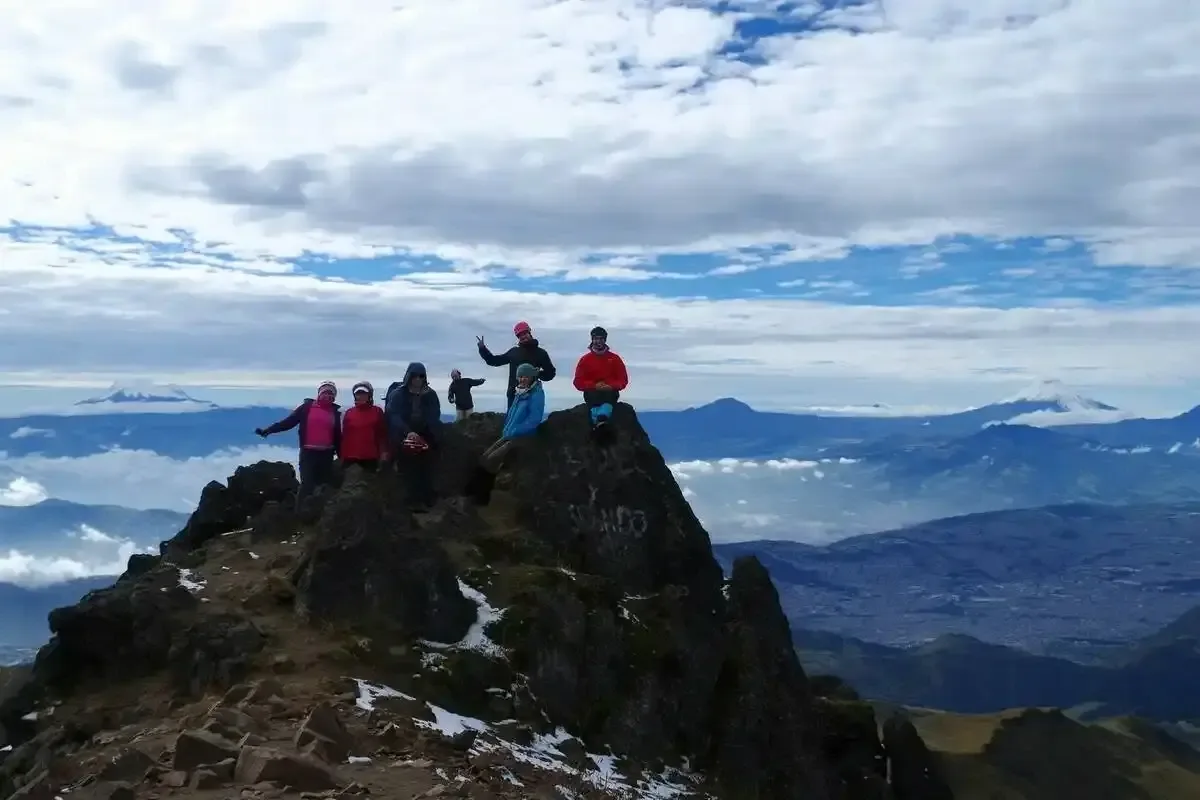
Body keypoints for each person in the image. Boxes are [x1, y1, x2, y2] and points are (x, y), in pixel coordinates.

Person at [463, 363, 545, 506]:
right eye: (520, 376)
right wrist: (507, 429)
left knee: (491, 460)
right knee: (485, 457)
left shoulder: (536, 394)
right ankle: (473, 491)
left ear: (532, 377)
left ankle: (481, 497)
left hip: (523, 437)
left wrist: (514, 431)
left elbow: (534, 419)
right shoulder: (520, 392)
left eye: (525, 376)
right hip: (509, 434)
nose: (522, 379)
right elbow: (511, 414)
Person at [255, 381, 342, 507]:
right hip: (308, 454)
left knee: (323, 486)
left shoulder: (335, 412)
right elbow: (288, 422)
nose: (328, 396)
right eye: (325, 392)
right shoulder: (307, 408)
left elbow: (337, 436)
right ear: (319, 393)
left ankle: (319, 513)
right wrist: (268, 430)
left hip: (326, 455)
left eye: (331, 394)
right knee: (307, 485)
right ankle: (300, 512)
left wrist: (342, 456)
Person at [385, 362, 442, 511]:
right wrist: (408, 432)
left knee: (427, 465)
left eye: (421, 376)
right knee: (409, 467)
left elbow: (434, 415)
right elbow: (394, 415)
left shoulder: (430, 394)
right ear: (409, 376)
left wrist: (427, 435)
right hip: (404, 435)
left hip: (425, 434)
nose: (418, 379)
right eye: (415, 376)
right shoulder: (398, 394)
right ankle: (412, 500)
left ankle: (426, 497)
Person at [476, 320, 556, 409]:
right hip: (513, 396)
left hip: (532, 395)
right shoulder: (513, 352)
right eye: (520, 335)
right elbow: (494, 361)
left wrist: (537, 374)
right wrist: (483, 349)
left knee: (531, 417)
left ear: (529, 333)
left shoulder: (541, 353)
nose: (523, 336)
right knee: (511, 418)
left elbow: (551, 373)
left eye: (524, 333)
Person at [572, 326, 628, 436]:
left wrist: (610, 386)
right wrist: (594, 385)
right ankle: (599, 422)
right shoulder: (585, 360)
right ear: (592, 340)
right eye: (596, 338)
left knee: (609, 396)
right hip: (592, 393)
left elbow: (623, 380)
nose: (598, 341)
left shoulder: (615, 359)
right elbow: (578, 382)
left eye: (601, 339)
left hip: (610, 393)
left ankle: (601, 420)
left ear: (605, 340)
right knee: (593, 396)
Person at [339, 381, 388, 471]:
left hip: (371, 456)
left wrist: (383, 452)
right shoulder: (349, 412)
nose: (360, 396)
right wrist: (342, 456)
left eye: (364, 393)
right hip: (350, 457)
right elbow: (345, 436)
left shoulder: (377, 411)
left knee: (370, 479)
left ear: (369, 395)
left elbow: (382, 434)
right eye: (358, 394)